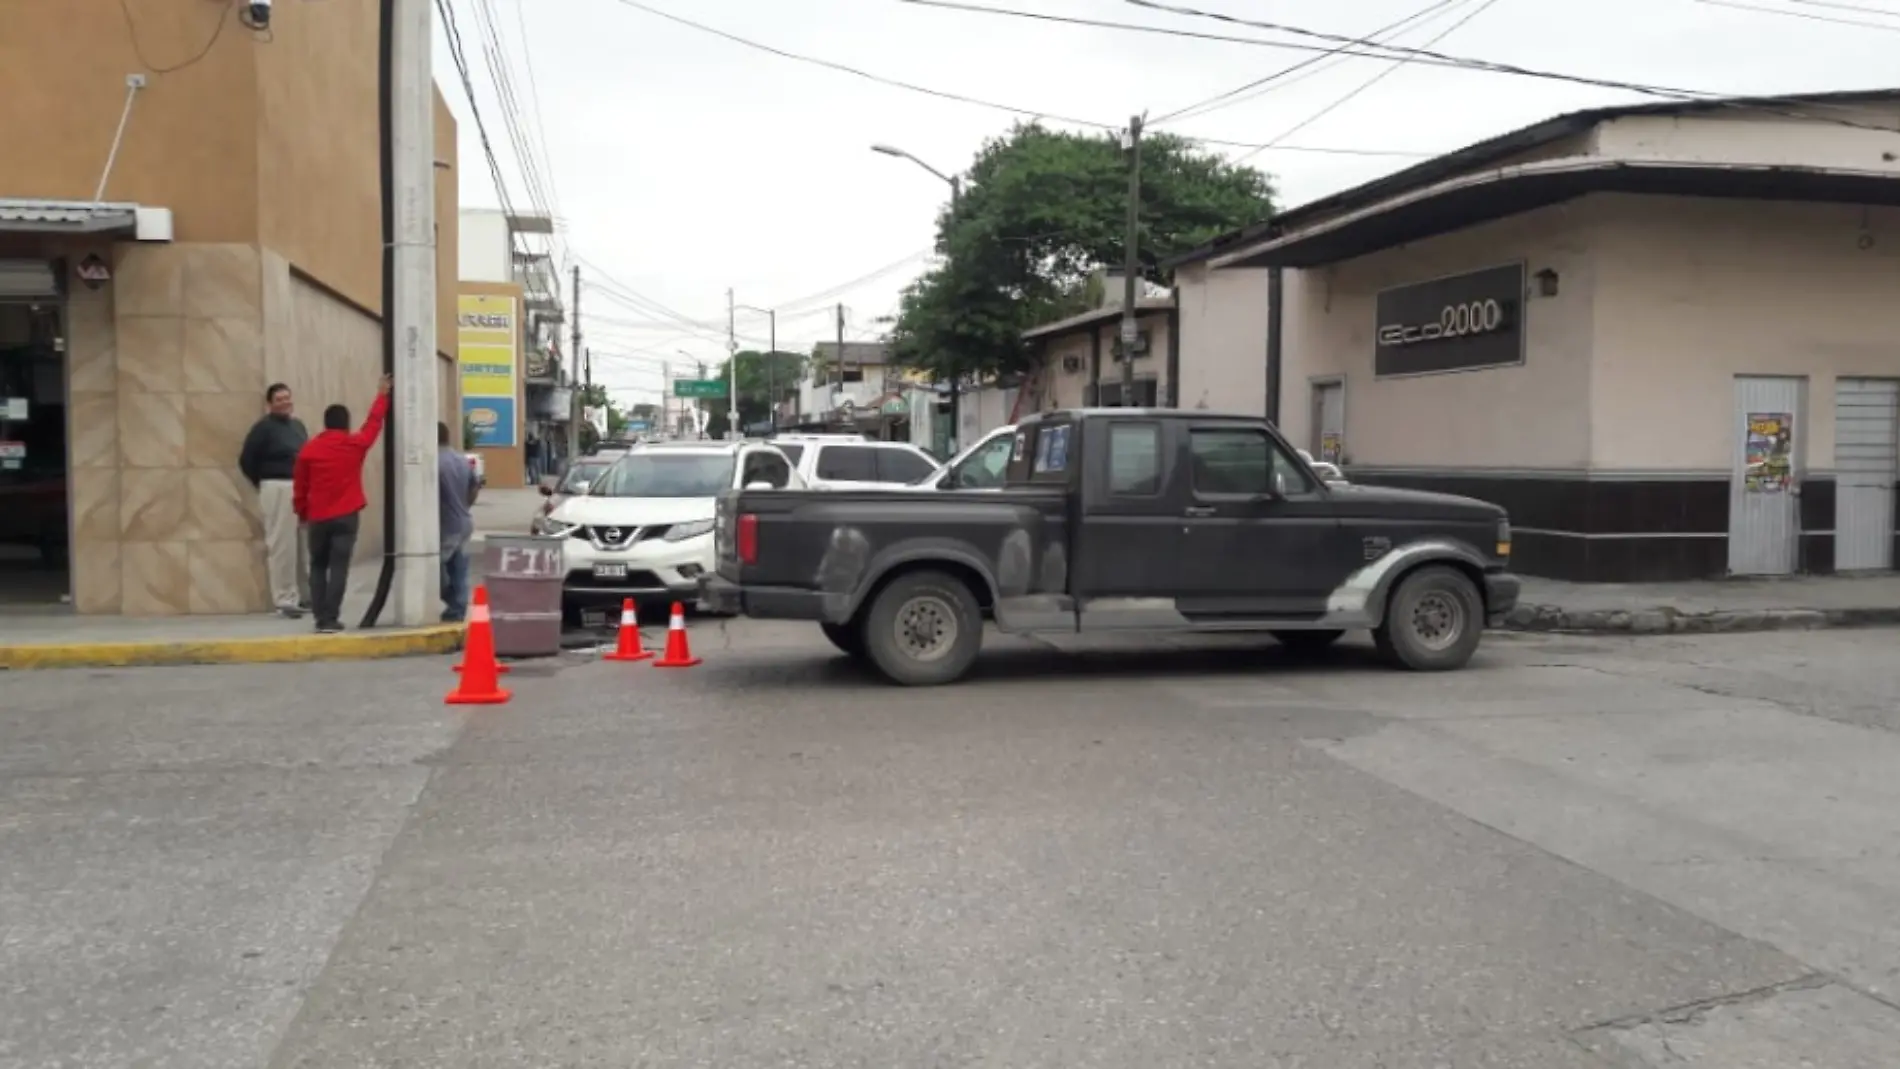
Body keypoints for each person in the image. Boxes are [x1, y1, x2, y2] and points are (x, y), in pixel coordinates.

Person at [292, 375, 391, 633]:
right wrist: (382, 395)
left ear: (325, 423)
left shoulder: (309, 450)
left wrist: (302, 513)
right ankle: (332, 617)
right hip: (347, 515)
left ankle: (319, 618)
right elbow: (373, 424)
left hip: (318, 516)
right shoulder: (353, 445)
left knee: (317, 565)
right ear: (346, 424)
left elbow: (300, 487)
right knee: (339, 567)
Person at [238, 382, 310, 618]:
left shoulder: (298, 426)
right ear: (270, 404)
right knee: (282, 545)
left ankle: (303, 595)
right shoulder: (263, 428)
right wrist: (265, 483)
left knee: (301, 546)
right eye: (279, 399)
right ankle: (285, 599)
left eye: (287, 398)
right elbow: (247, 460)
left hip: (299, 488)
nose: (285, 402)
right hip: (276, 487)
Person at [437, 420, 479, 622]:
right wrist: (464, 506)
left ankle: (454, 602)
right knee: (459, 567)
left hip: (446, 524)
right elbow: (474, 487)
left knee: (435, 567)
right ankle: (458, 608)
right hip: (464, 521)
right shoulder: (461, 460)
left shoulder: (434, 461)